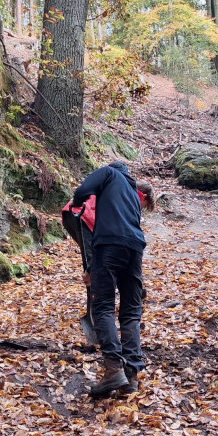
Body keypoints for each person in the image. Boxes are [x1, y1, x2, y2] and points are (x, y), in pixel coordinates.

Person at [69, 161, 155, 398]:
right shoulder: (131, 190)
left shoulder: (109, 174)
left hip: (109, 246)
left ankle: (114, 369)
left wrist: (77, 203)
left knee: (103, 306)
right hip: (135, 248)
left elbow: (82, 191)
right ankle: (132, 376)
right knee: (131, 311)